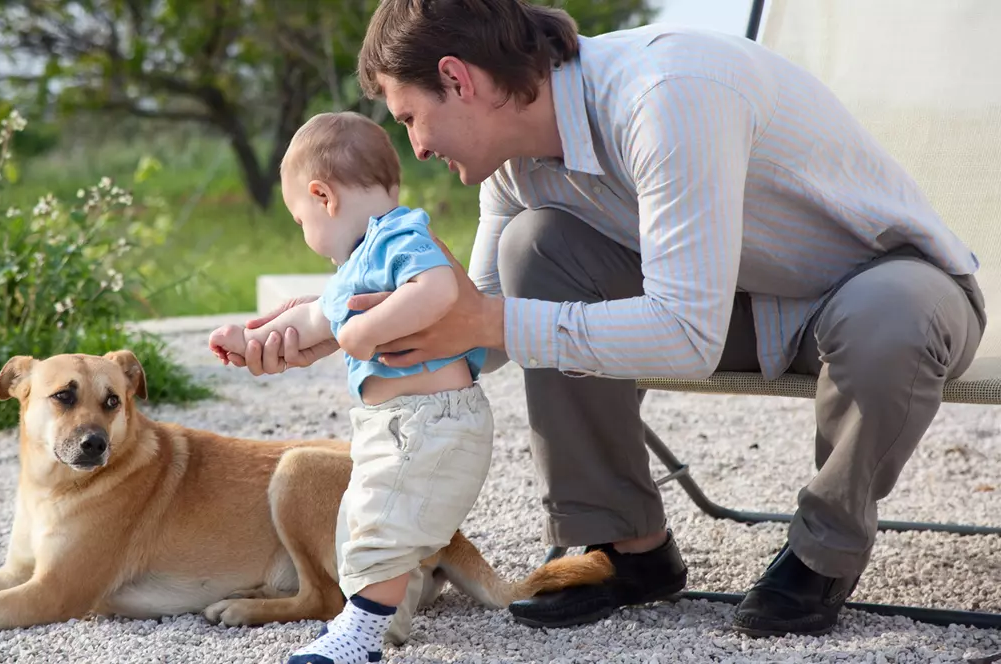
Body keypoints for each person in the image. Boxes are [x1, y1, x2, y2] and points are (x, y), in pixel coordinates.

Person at [229, 0, 988, 640]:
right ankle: (626, 544)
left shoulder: (667, 94)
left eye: (411, 116)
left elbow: (680, 334)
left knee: (892, 315)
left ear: (457, 79)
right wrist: (320, 329)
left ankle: (824, 551)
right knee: (539, 247)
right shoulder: (514, 169)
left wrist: (488, 321)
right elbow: (471, 334)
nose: (415, 146)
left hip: (879, 290)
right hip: (736, 308)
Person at [208, 110, 493, 663]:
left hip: (432, 421)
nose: (306, 235)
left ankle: (359, 640)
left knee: (378, 526)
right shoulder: (360, 261)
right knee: (359, 521)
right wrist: (249, 338)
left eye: (300, 220)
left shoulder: (401, 234)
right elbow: (314, 321)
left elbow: (438, 289)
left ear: (323, 197)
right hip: (399, 426)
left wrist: (366, 329)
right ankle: (379, 622)